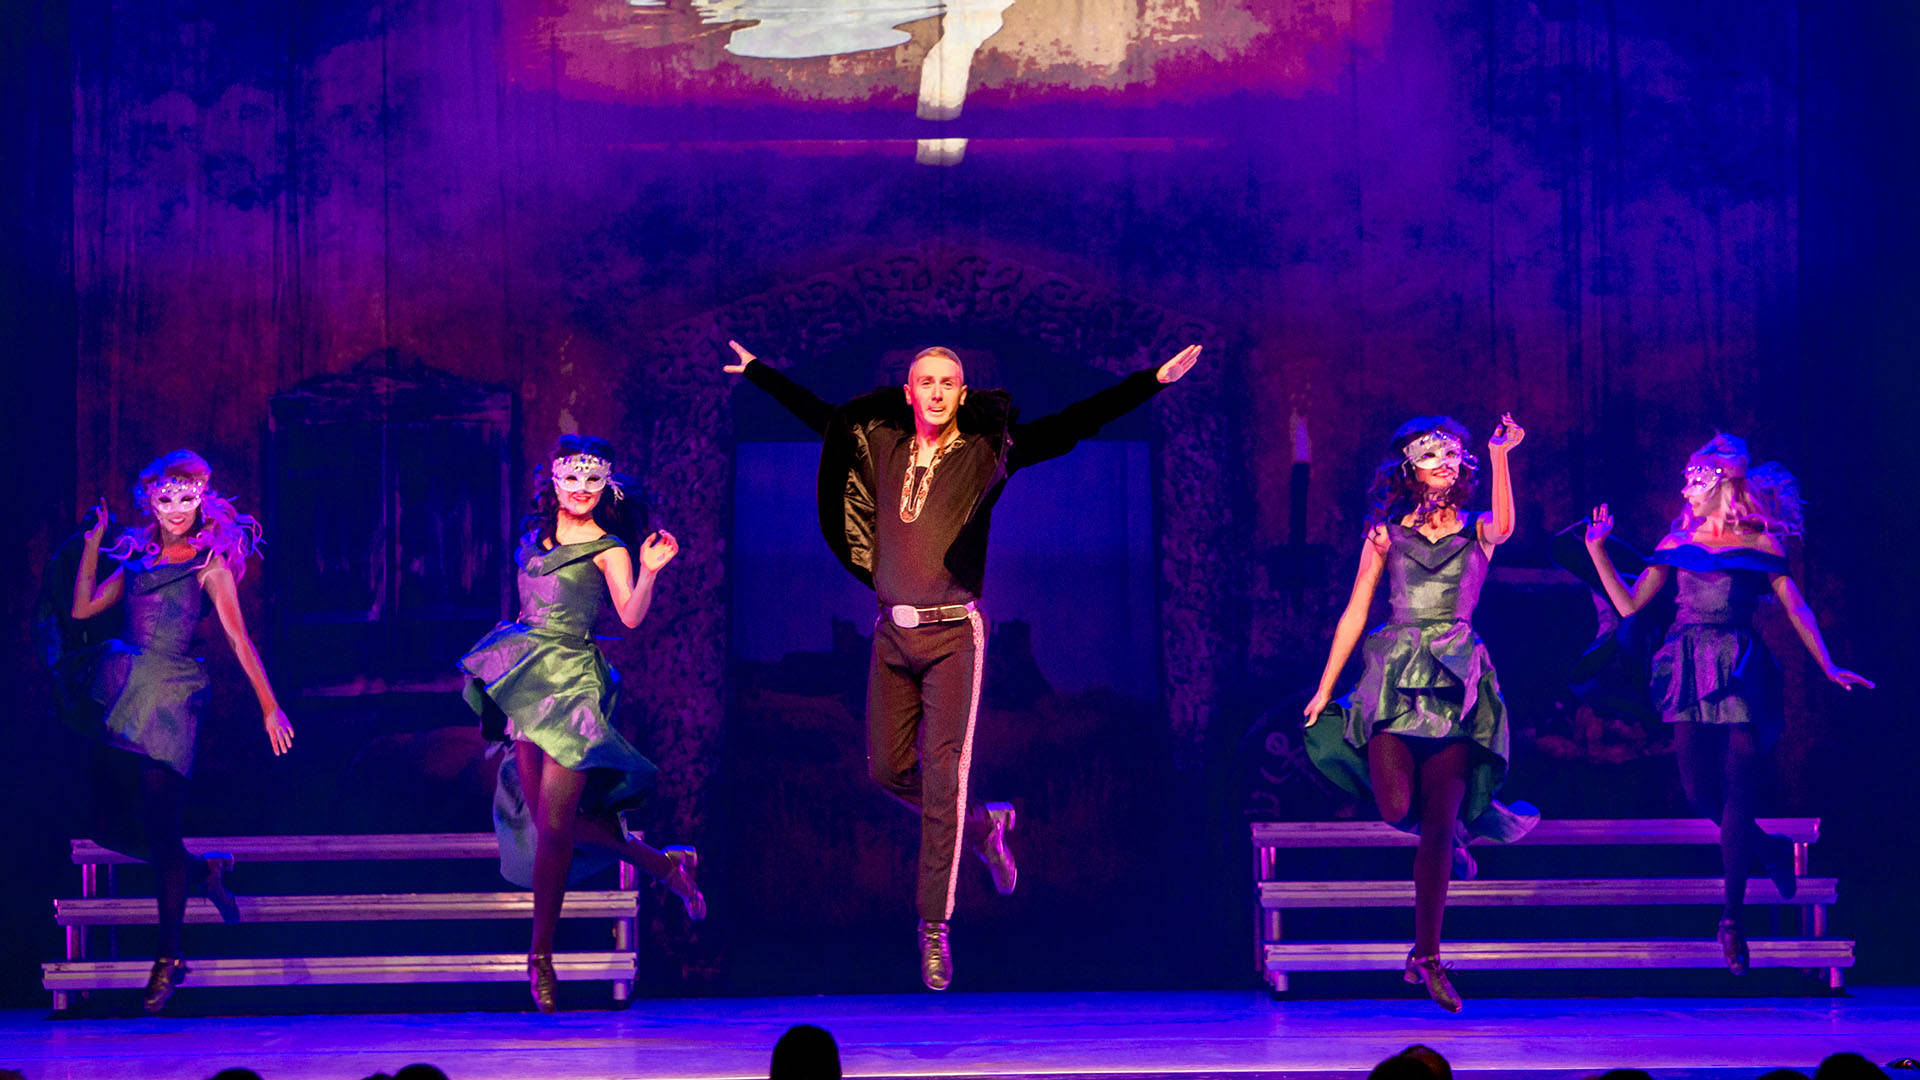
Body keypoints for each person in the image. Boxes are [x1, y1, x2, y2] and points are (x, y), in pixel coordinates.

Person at [726, 338, 1203, 990]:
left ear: (963, 393)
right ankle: (984, 829)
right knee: (888, 770)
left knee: (944, 777)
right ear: (909, 391)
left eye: (948, 382)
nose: (936, 391)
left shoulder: (988, 454)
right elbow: (825, 418)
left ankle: (933, 930)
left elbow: (1073, 424)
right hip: (891, 639)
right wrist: (760, 372)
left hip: (954, 638)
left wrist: (1151, 381)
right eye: (925, 380)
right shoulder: (884, 447)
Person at [1584, 433, 1872, 974]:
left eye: (1696, 476)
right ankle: (1766, 847)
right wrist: (1599, 551)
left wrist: (1828, 664)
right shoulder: (1675, 541)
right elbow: (1629, 606)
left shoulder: (1760, 544)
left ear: (1721, 483)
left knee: (1739, 790)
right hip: (1688, 661)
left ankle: (1732, 921)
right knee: (1699, 792)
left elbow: (1797, 608)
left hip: (1740, 666)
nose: (1685, 485)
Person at [459, 434, 703, 1013]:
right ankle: (664, 865)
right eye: (571, 479)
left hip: (572, 684)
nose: (582, 490)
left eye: (594, 481)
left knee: (556, 821)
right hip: (526, 675)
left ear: (607, 485)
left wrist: (647, 571)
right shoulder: (533, 539)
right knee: (551, 827)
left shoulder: (608, 547)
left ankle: (540, 955)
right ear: (554, 479)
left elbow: (632, 617)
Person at [1302, 414, 1536, 1013]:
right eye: (1432, 454)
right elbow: (1355, 611)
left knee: (1436, 821)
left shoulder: (1477, 529)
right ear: (1410, 465)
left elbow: (1506, 525)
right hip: (1395, 679)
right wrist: (1326, 688)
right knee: (1397, 807)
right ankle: (1453, 839)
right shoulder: (1385, 534)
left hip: (1457, 684)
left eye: (1454, 454)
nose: (1445, 462)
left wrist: (1501, 453)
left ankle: (1427, 956)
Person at [70, 449, 293, 1013]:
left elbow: (239, 640)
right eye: (164, 498)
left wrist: (269, 706)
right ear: (150, 500)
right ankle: (202, 869)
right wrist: (95, 542)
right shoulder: (139, 561)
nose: (174, 509)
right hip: (126, 689)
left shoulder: (209, 564)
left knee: (160, 822)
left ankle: (169, 957)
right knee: (106, 825)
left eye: (185, 498)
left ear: (201, 499)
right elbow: (82, 611)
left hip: (174, 697)